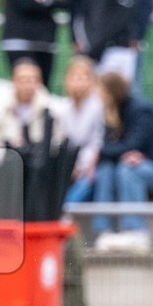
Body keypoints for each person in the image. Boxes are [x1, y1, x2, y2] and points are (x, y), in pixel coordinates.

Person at [92, 72, 153, 254]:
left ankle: (135, 232)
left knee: (128, 169)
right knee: (106, 169)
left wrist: (100, 152)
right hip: (145, 164)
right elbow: (120, 149)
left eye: (100, 91)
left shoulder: (140, 110)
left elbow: (132, 145)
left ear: (110, 92)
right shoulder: (113, 112)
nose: (98, 96)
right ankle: (102, 230)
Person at [0, 59, 65, 165]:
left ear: (39, 82)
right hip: (7, 169)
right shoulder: (1, 110)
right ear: (13, 81)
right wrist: (5, 155)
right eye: (22, 80)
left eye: (31, 80)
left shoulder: (49, 110)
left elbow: (58, 140)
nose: (26, 85)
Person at [58, 56, 104, 204]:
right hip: (69, 165)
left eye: (84, 77)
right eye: (75, 77)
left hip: (91, 166)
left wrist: (82, 166)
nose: (79, 82)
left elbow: (97, 141)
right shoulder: (63, 108)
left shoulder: (97, 107)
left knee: (83, 186)